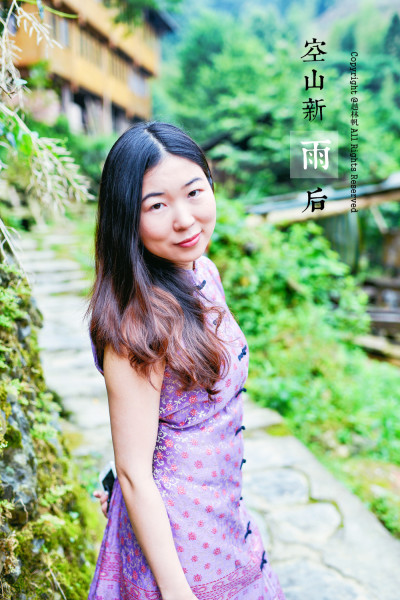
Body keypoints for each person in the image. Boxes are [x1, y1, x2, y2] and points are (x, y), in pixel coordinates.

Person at [86, 120, 286, 600]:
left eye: (194, 192)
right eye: (156, 205)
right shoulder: (136, 327)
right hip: (180, 542)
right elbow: (134, 472)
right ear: (126, 218)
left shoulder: (202, 271)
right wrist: (176, 591)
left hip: (225, 513)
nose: (184, 219)